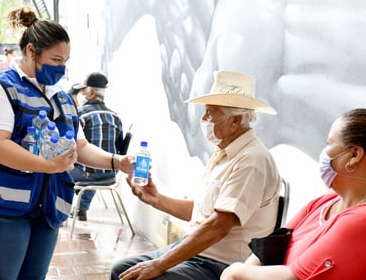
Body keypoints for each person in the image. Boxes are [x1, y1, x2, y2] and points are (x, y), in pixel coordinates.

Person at [0, 6, 134, 279]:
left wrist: (117, 161)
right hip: (3, 207)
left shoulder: (63, 97)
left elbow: (79, 147)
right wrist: (48, 165)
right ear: (32, 51)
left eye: (65, 60)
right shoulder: (0, 88)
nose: (62, 67)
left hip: (48, 207)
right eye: (56, 59)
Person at [110, 70, 281, 280]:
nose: (203, 119)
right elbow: (202, 213)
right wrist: (156, 200)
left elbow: (218, 226)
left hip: (222, 265)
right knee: (121, 270)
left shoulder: (252, 161)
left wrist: (159, 265)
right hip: (198, 252)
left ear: (235, 121)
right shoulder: (224, 154)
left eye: (210, 113)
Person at [220, 108, 366, 280]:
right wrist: (242, 273)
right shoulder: (322, 203)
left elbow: (291, 277)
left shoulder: (360, 219)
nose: (324, 152)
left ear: (354, 155)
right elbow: (269, 248)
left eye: (330, 143)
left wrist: (235, 272)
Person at [69, 73, 124, 221]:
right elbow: (119, 146)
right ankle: (81, 209)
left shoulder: (80, 115)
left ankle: (61, 209)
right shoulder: (115, 116)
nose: (80, 94)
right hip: (110, 174)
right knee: (94, 168)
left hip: (86, 173)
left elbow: (70, 145)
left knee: (58, 171)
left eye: (82, 91)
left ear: (91, 93)